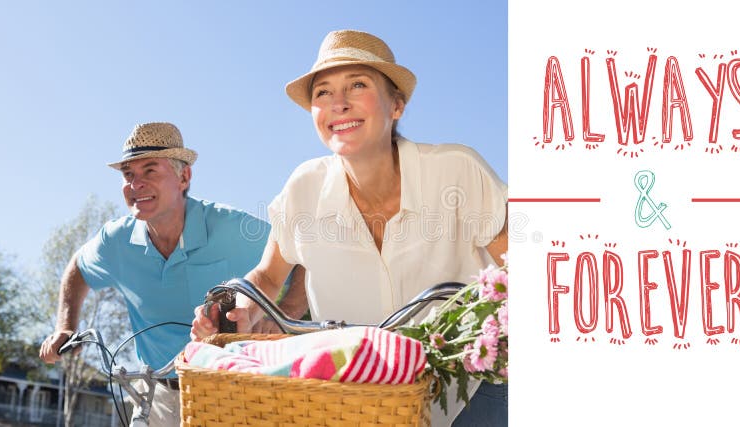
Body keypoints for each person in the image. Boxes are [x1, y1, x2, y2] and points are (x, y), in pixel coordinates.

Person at [190, 30, 508, 426]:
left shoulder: (457, 171)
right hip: (360, 394)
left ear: (396, 105)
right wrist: (240, 309)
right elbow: (268, 278)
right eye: (323, 93)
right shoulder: (303, 189)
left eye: (357, 85)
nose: (338, 104)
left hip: (472, 386)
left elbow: (514, 272)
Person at [39, 122, 307, 425]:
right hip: (157, 394)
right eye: (129, 175)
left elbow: (302, 254)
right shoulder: (115, 241)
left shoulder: (230, 227)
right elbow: (78, 267)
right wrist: (65, 325)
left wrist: (285, 315)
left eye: (150, 170)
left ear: (184, 176)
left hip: (230, 392)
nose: (135, 184)